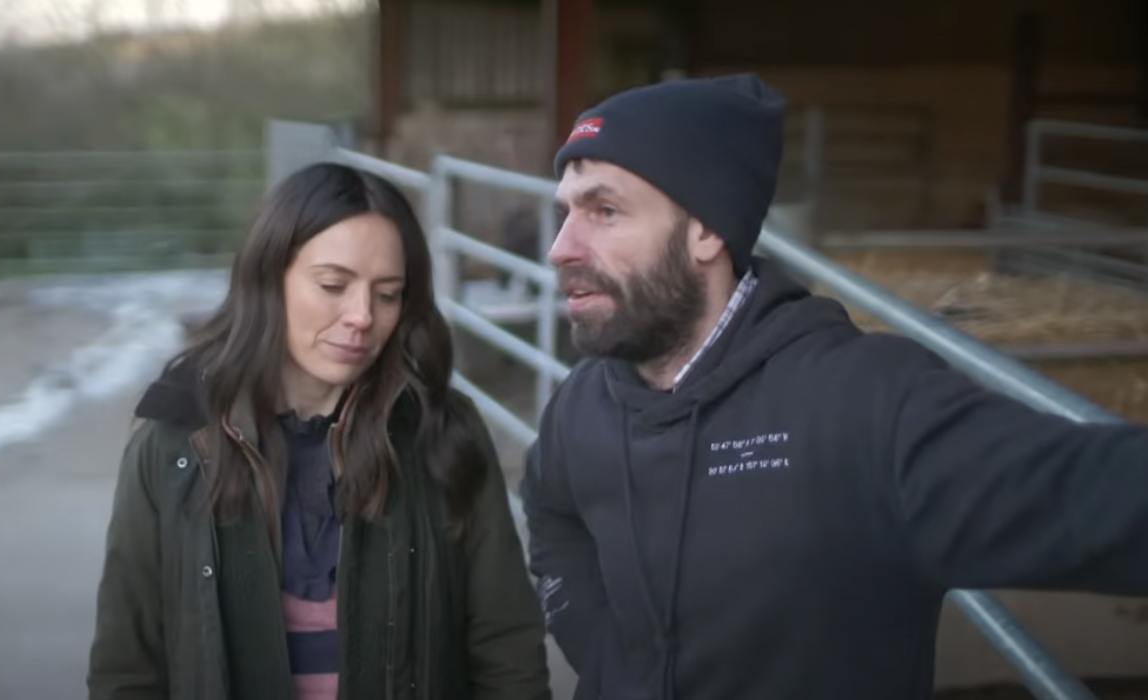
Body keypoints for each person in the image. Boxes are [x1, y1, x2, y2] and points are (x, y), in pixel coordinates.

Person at [521, 73, 1148, 700]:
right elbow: (552, 516)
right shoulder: (581, 405)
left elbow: (1094, 495)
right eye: (565, 212)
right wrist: (606, 659)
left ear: (706, 230)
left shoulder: (865, 405)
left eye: (604, 211)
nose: (559, 248)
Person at [88, 162, 551, 700]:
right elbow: (128, 666)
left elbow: (506, 650)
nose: (361, 316)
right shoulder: (173, 443)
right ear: (269, 276)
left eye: (387, 294)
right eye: (333, 284)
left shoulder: (445, 432)